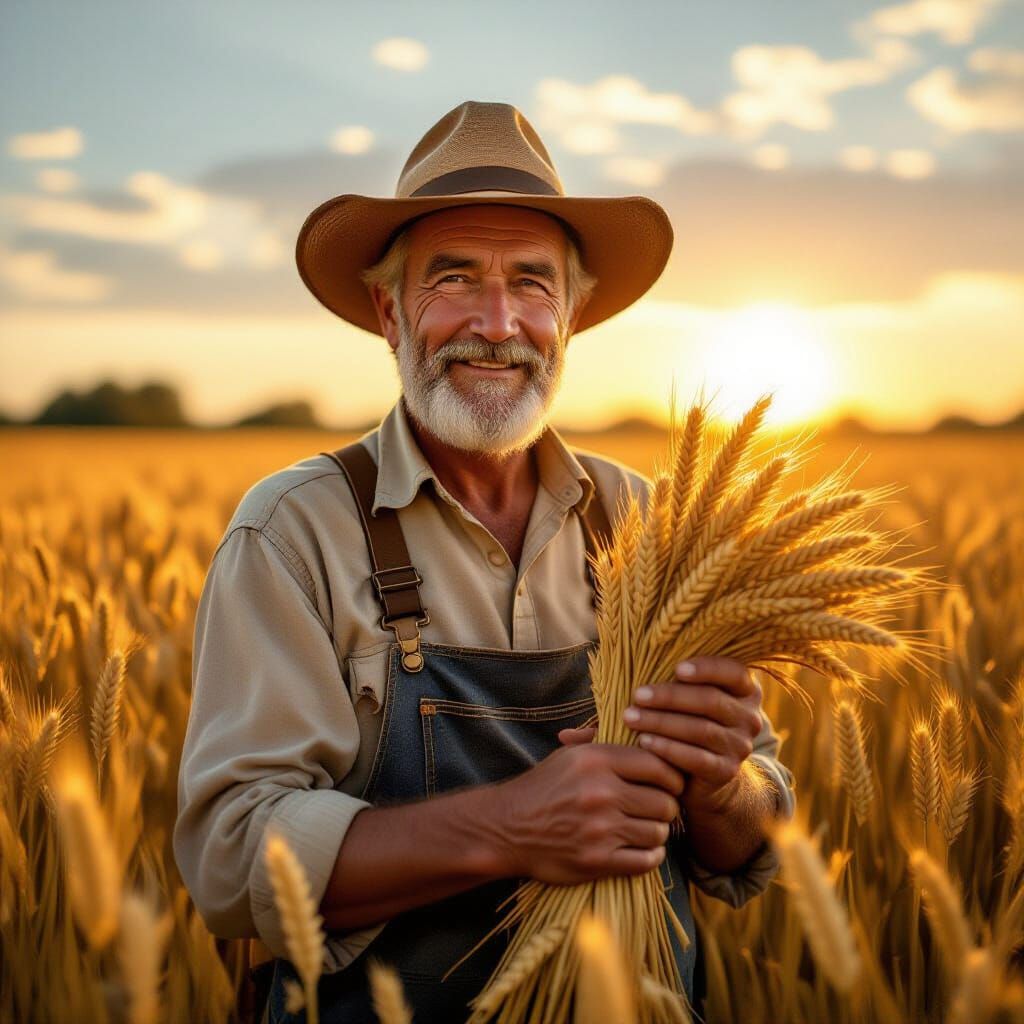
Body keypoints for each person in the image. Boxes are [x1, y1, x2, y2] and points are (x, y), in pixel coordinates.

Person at [173, 100, 796, 1024]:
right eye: (455, 278)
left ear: (573, 315)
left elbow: (756, 833)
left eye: (533, 284)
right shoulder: (295, 532)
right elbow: (231, 865)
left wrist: (720, 782)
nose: (498, 323)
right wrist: (511, 826)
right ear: (390, 310)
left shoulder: (657, 524)